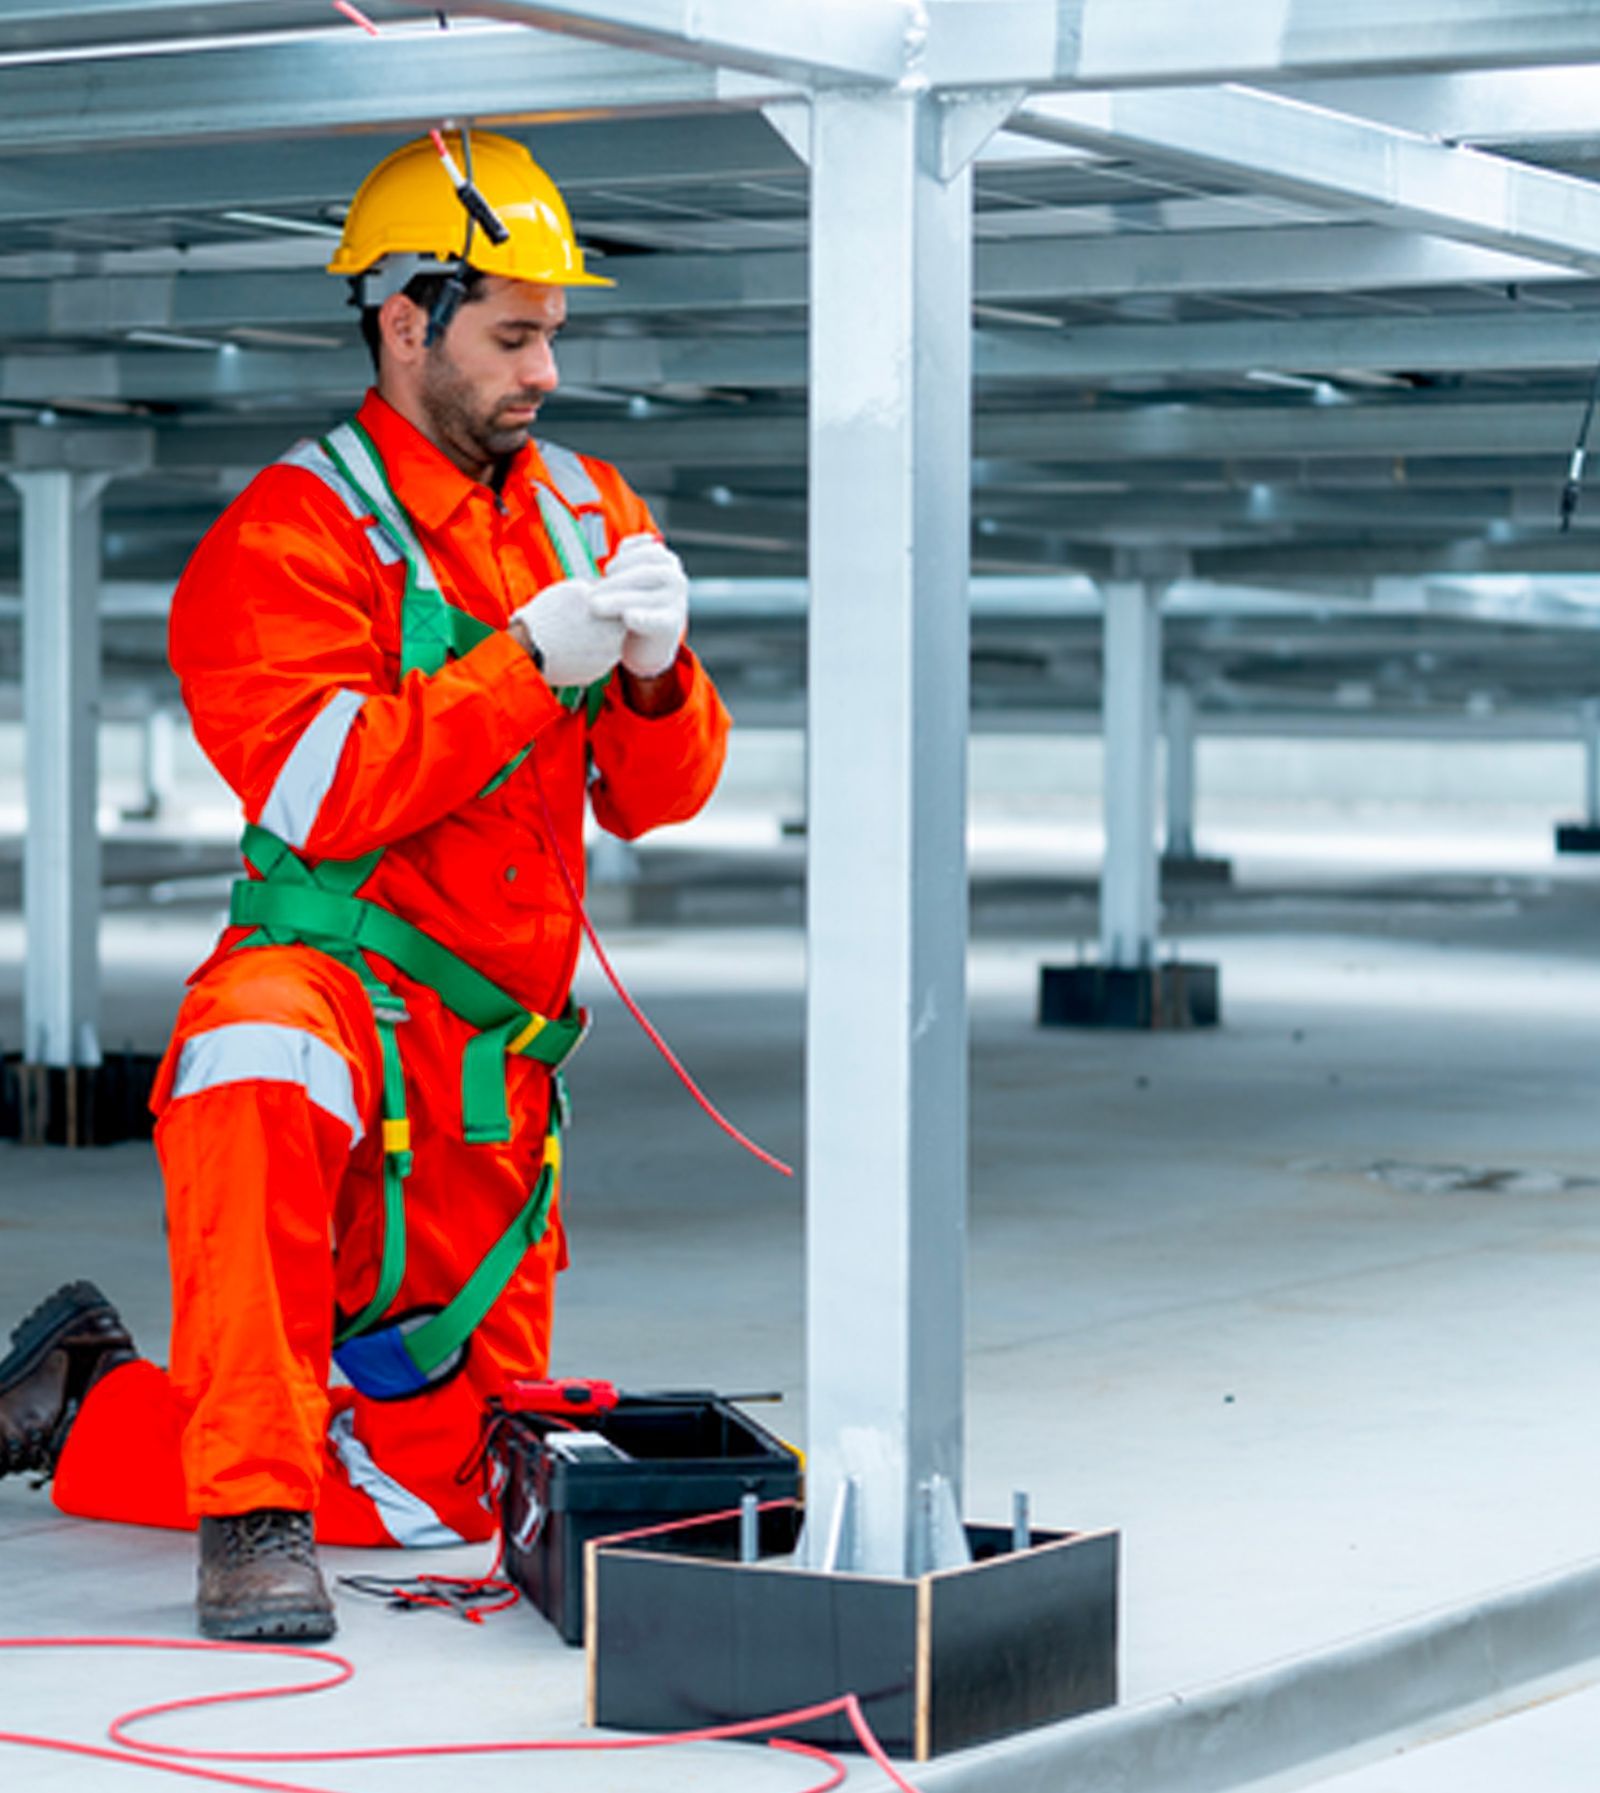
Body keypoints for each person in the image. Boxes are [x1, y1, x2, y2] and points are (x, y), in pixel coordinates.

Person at [0, 131, 729, 1641]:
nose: (543, 374)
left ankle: (89, 1408)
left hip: (487, 1089)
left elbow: (661, 801)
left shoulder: (586, 508)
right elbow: (328, 792)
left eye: (553, 337)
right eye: (511, 335)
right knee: (253, 1041)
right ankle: (248, 1506)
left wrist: (660, 680)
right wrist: (526, 666)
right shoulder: (288, 533)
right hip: (345, 1004)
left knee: (458, 1494)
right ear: (406, 322)